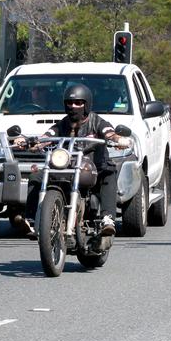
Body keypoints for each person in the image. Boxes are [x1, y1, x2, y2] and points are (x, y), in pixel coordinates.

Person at [14, 83, 132, 238]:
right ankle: (31, 219)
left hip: (93, 168)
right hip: (66, 169)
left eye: (78, 103)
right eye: (69, 103)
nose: (73, 106)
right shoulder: (62, 124)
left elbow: (109, 133)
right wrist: (28, 143)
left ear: (86, 104)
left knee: (109, 173)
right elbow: (46, 137)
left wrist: (118, 139)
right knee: (36, 176)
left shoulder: (97, 122)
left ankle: (107, 218)